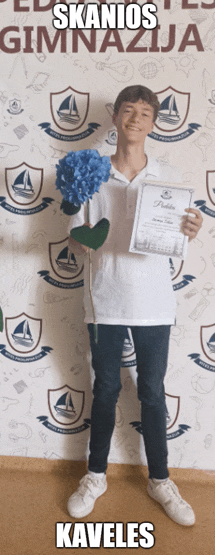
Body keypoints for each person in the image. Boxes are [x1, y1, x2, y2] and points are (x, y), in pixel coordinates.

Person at [66, 85, 203, 526]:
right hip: (104, 301)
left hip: (154, 304)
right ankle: (95, 474)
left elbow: (177, 237)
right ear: (116, 117)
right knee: (104, 391)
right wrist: (83, 239)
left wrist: (189, 229)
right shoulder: (91, 172)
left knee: (152, 393)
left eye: (145, 112)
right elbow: (75, 235)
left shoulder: (167, 176)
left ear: (154, 121)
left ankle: (160, 480)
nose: (136, 118)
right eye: (129, 110)